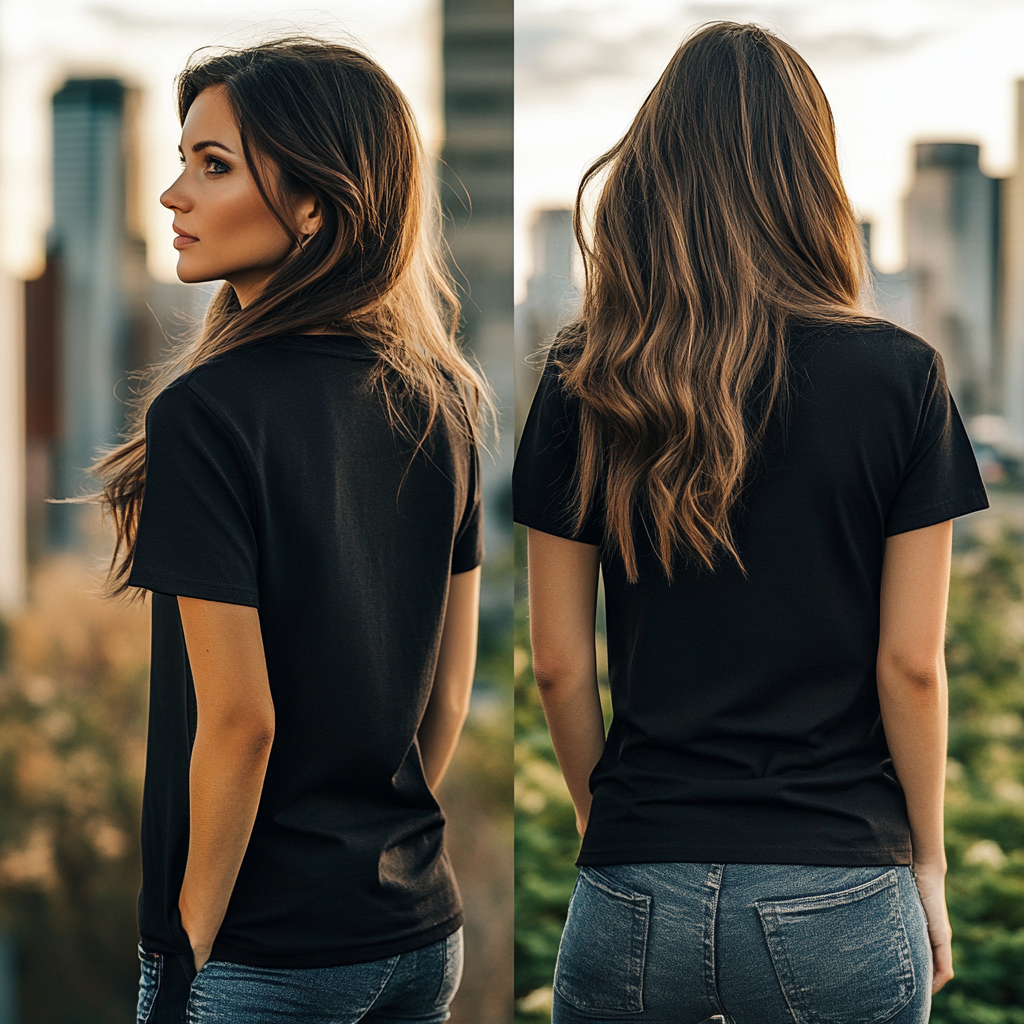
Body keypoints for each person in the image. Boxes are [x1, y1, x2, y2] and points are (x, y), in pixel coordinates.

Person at [514, 21, 987, 1024]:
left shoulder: (582, 375)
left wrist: (623, 830)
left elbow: (556, 660)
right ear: (810, 176)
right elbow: (908, 664)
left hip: (634, 878)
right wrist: (930, 864)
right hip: (841, 882)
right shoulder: (901, 377)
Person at [88, 37, 489, 1024]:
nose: (173, 195)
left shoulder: (206, 416)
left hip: (261, 956)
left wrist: (184, 956)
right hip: (416, 934)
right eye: (182, 160)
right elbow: (444, 694)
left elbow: (241, 723)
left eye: (212, 164)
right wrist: (360, 852)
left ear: (314, 202)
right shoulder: (443, 403)